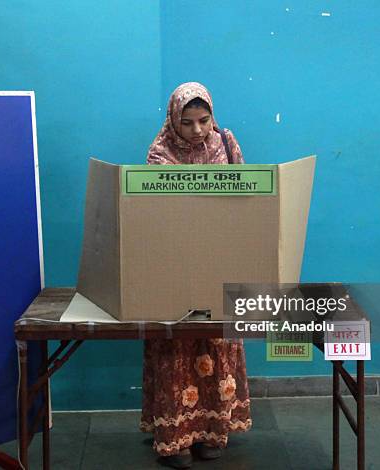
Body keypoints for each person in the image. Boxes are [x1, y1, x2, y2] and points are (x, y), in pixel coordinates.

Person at [140, 82, 251, 469]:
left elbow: (247, 200)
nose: (198, 131)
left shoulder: (225, 144)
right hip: (174, 265)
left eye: (204, 121)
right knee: (177, 347)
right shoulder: (160, 154)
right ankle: (174, 439)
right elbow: (154, 215)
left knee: (216, 345)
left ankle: (211, 432)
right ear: (174, 120)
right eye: (188, 123)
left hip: (220, 261)